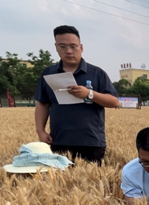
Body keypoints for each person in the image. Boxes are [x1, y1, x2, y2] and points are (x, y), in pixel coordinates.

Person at [34, 25, 120, 165]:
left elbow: (114, 102)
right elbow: (43, 103)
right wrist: (40, 131)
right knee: (60, 185)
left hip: (91, 142)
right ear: (56, 47)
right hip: (59, 140)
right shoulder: (48, 73)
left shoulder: (97, 73)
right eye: (63, 47)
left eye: (73, 46)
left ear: (81, 47)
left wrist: (89, 94)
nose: (68, 51)